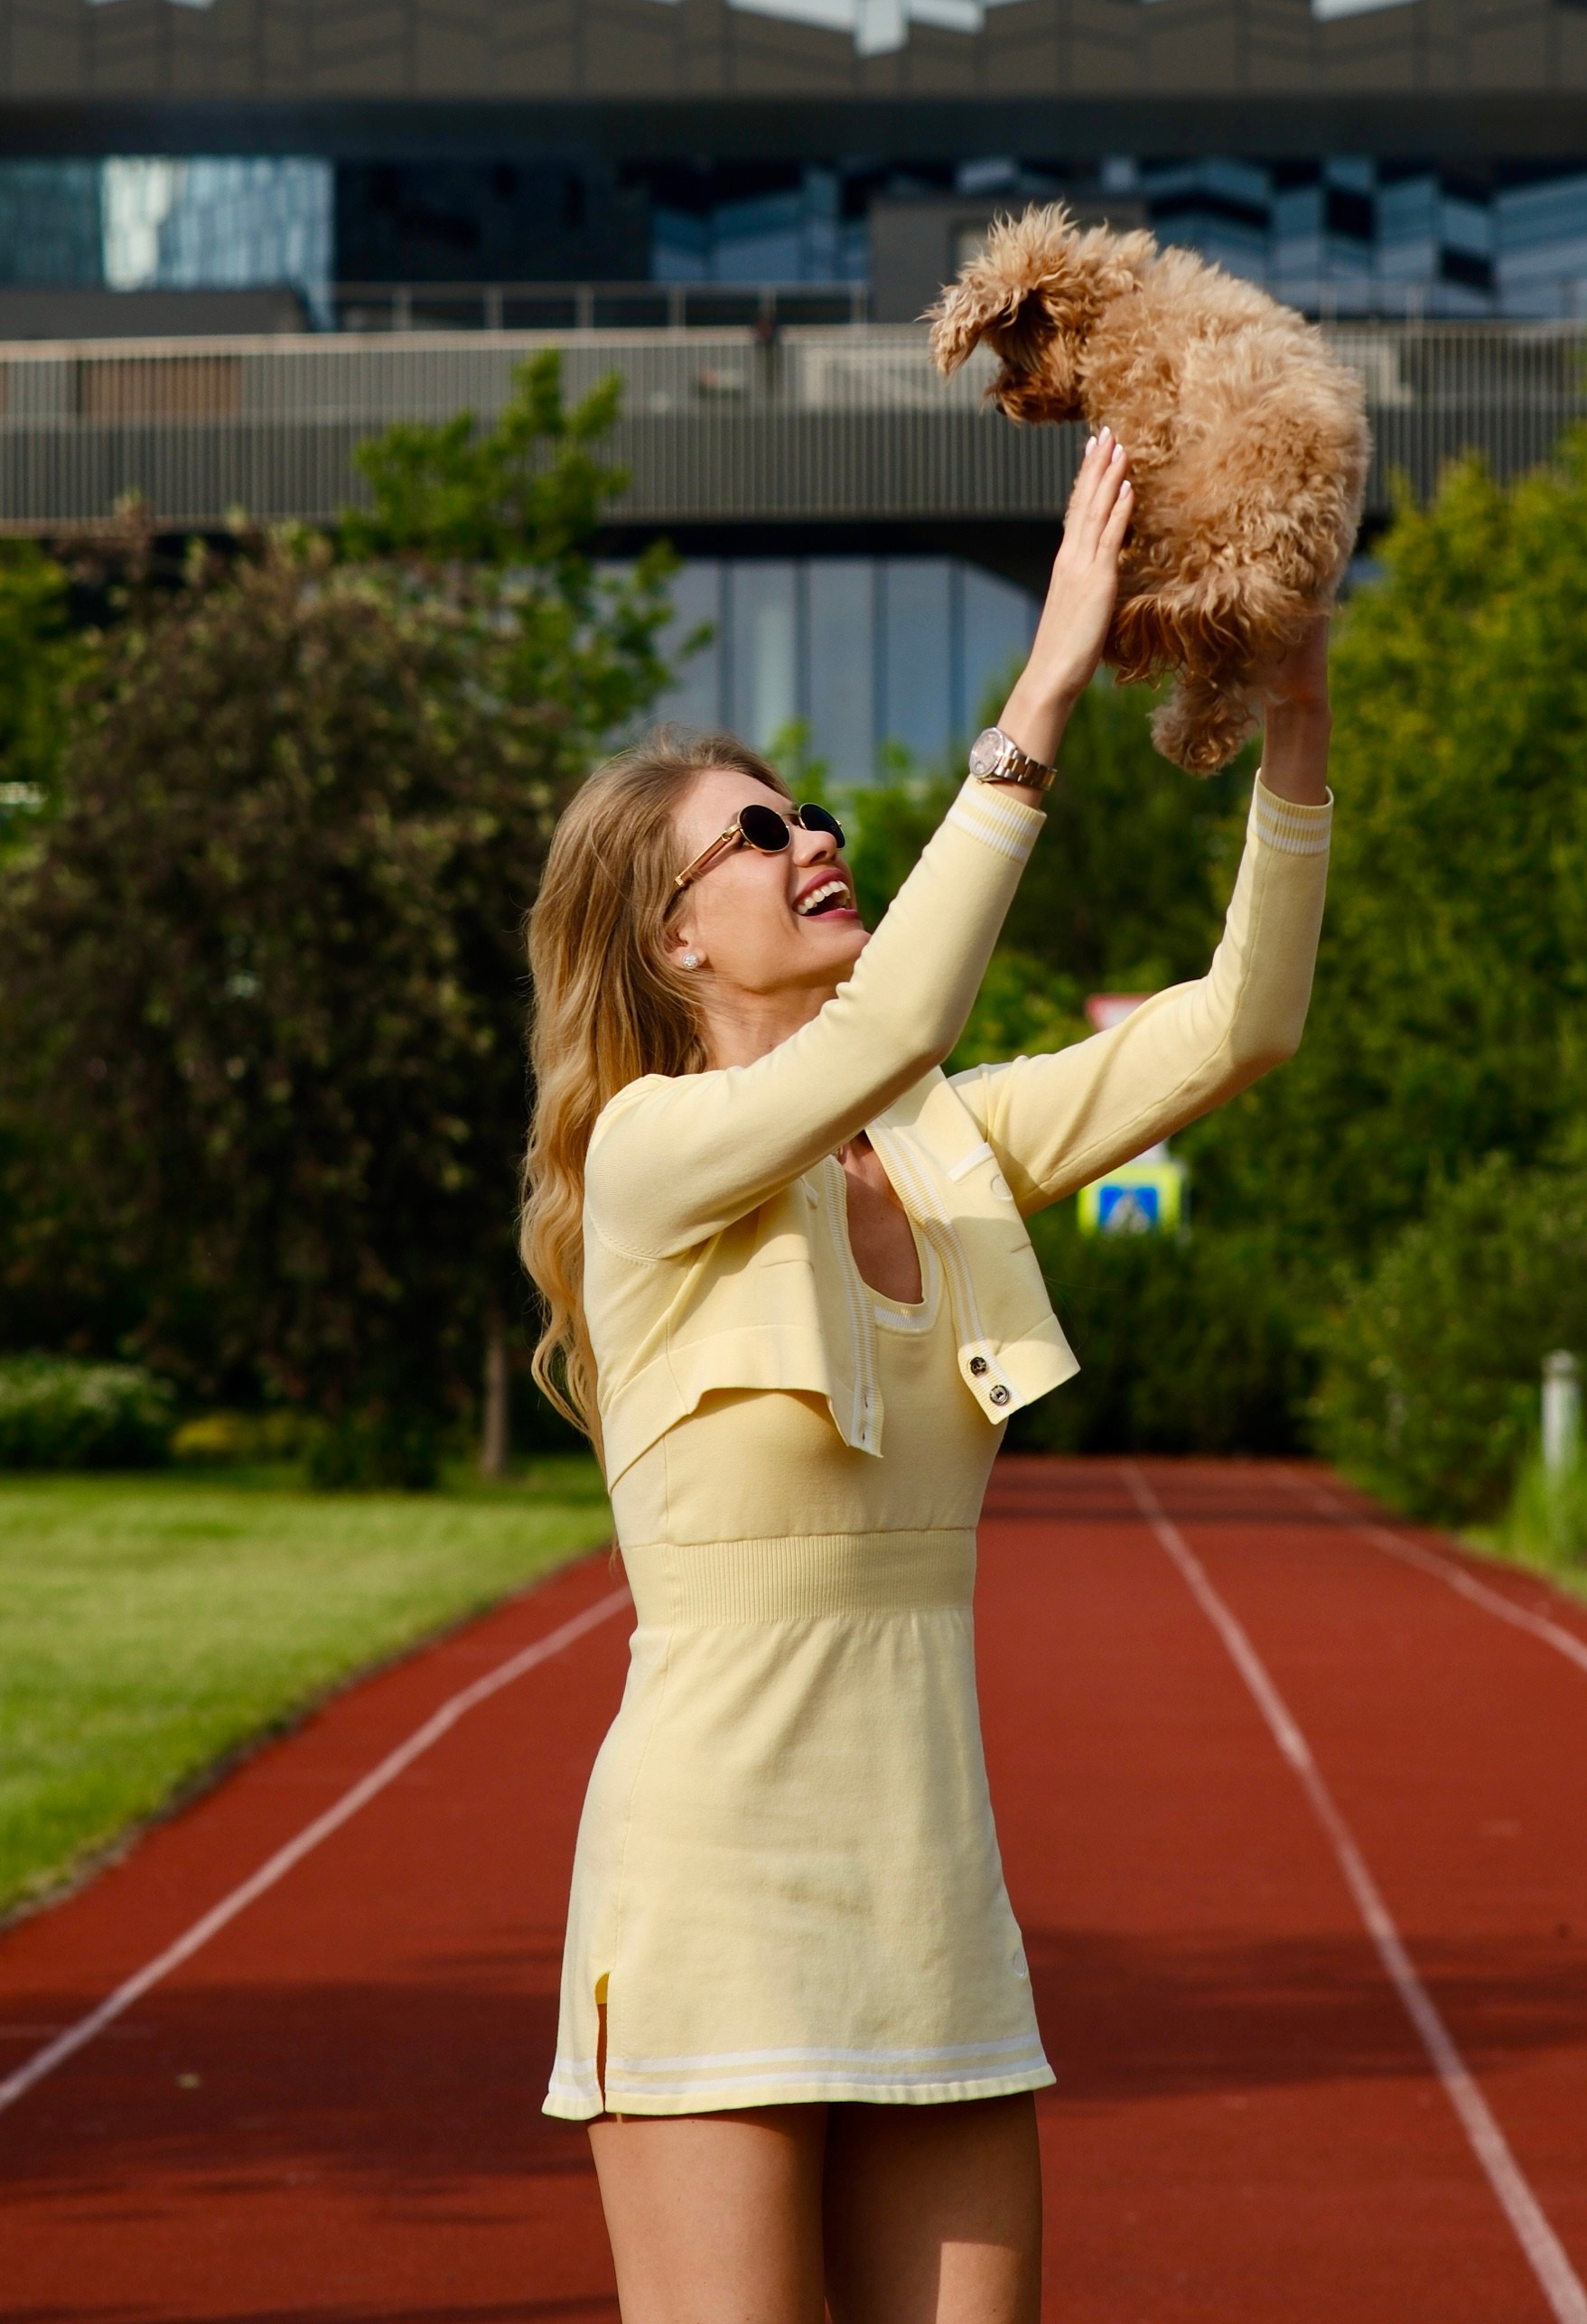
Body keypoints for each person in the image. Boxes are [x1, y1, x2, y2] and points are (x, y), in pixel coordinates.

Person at [519, 429, 1333, 2324]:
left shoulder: (942, 1141)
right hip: (708, 1897)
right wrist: (1044, 678)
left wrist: (1291, 733)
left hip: (925, 1907)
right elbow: (902, 1013)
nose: (812, 838)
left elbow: (1240, 1027)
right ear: (668, 936)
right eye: (756, 832)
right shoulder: (645, 1155)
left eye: (808, 814)